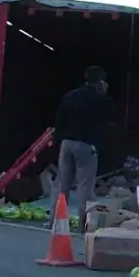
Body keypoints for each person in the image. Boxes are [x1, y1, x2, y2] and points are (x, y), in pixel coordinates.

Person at [49, 65, 112, 225]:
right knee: (85, 185)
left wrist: (60, 140)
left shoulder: (70, 96)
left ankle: (54, 221)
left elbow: (59, 121)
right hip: (86, 145)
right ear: (101, 82)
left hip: (67, 143)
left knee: (62, 184)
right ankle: (85, 223)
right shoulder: (101, 100)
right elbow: (107, 121)